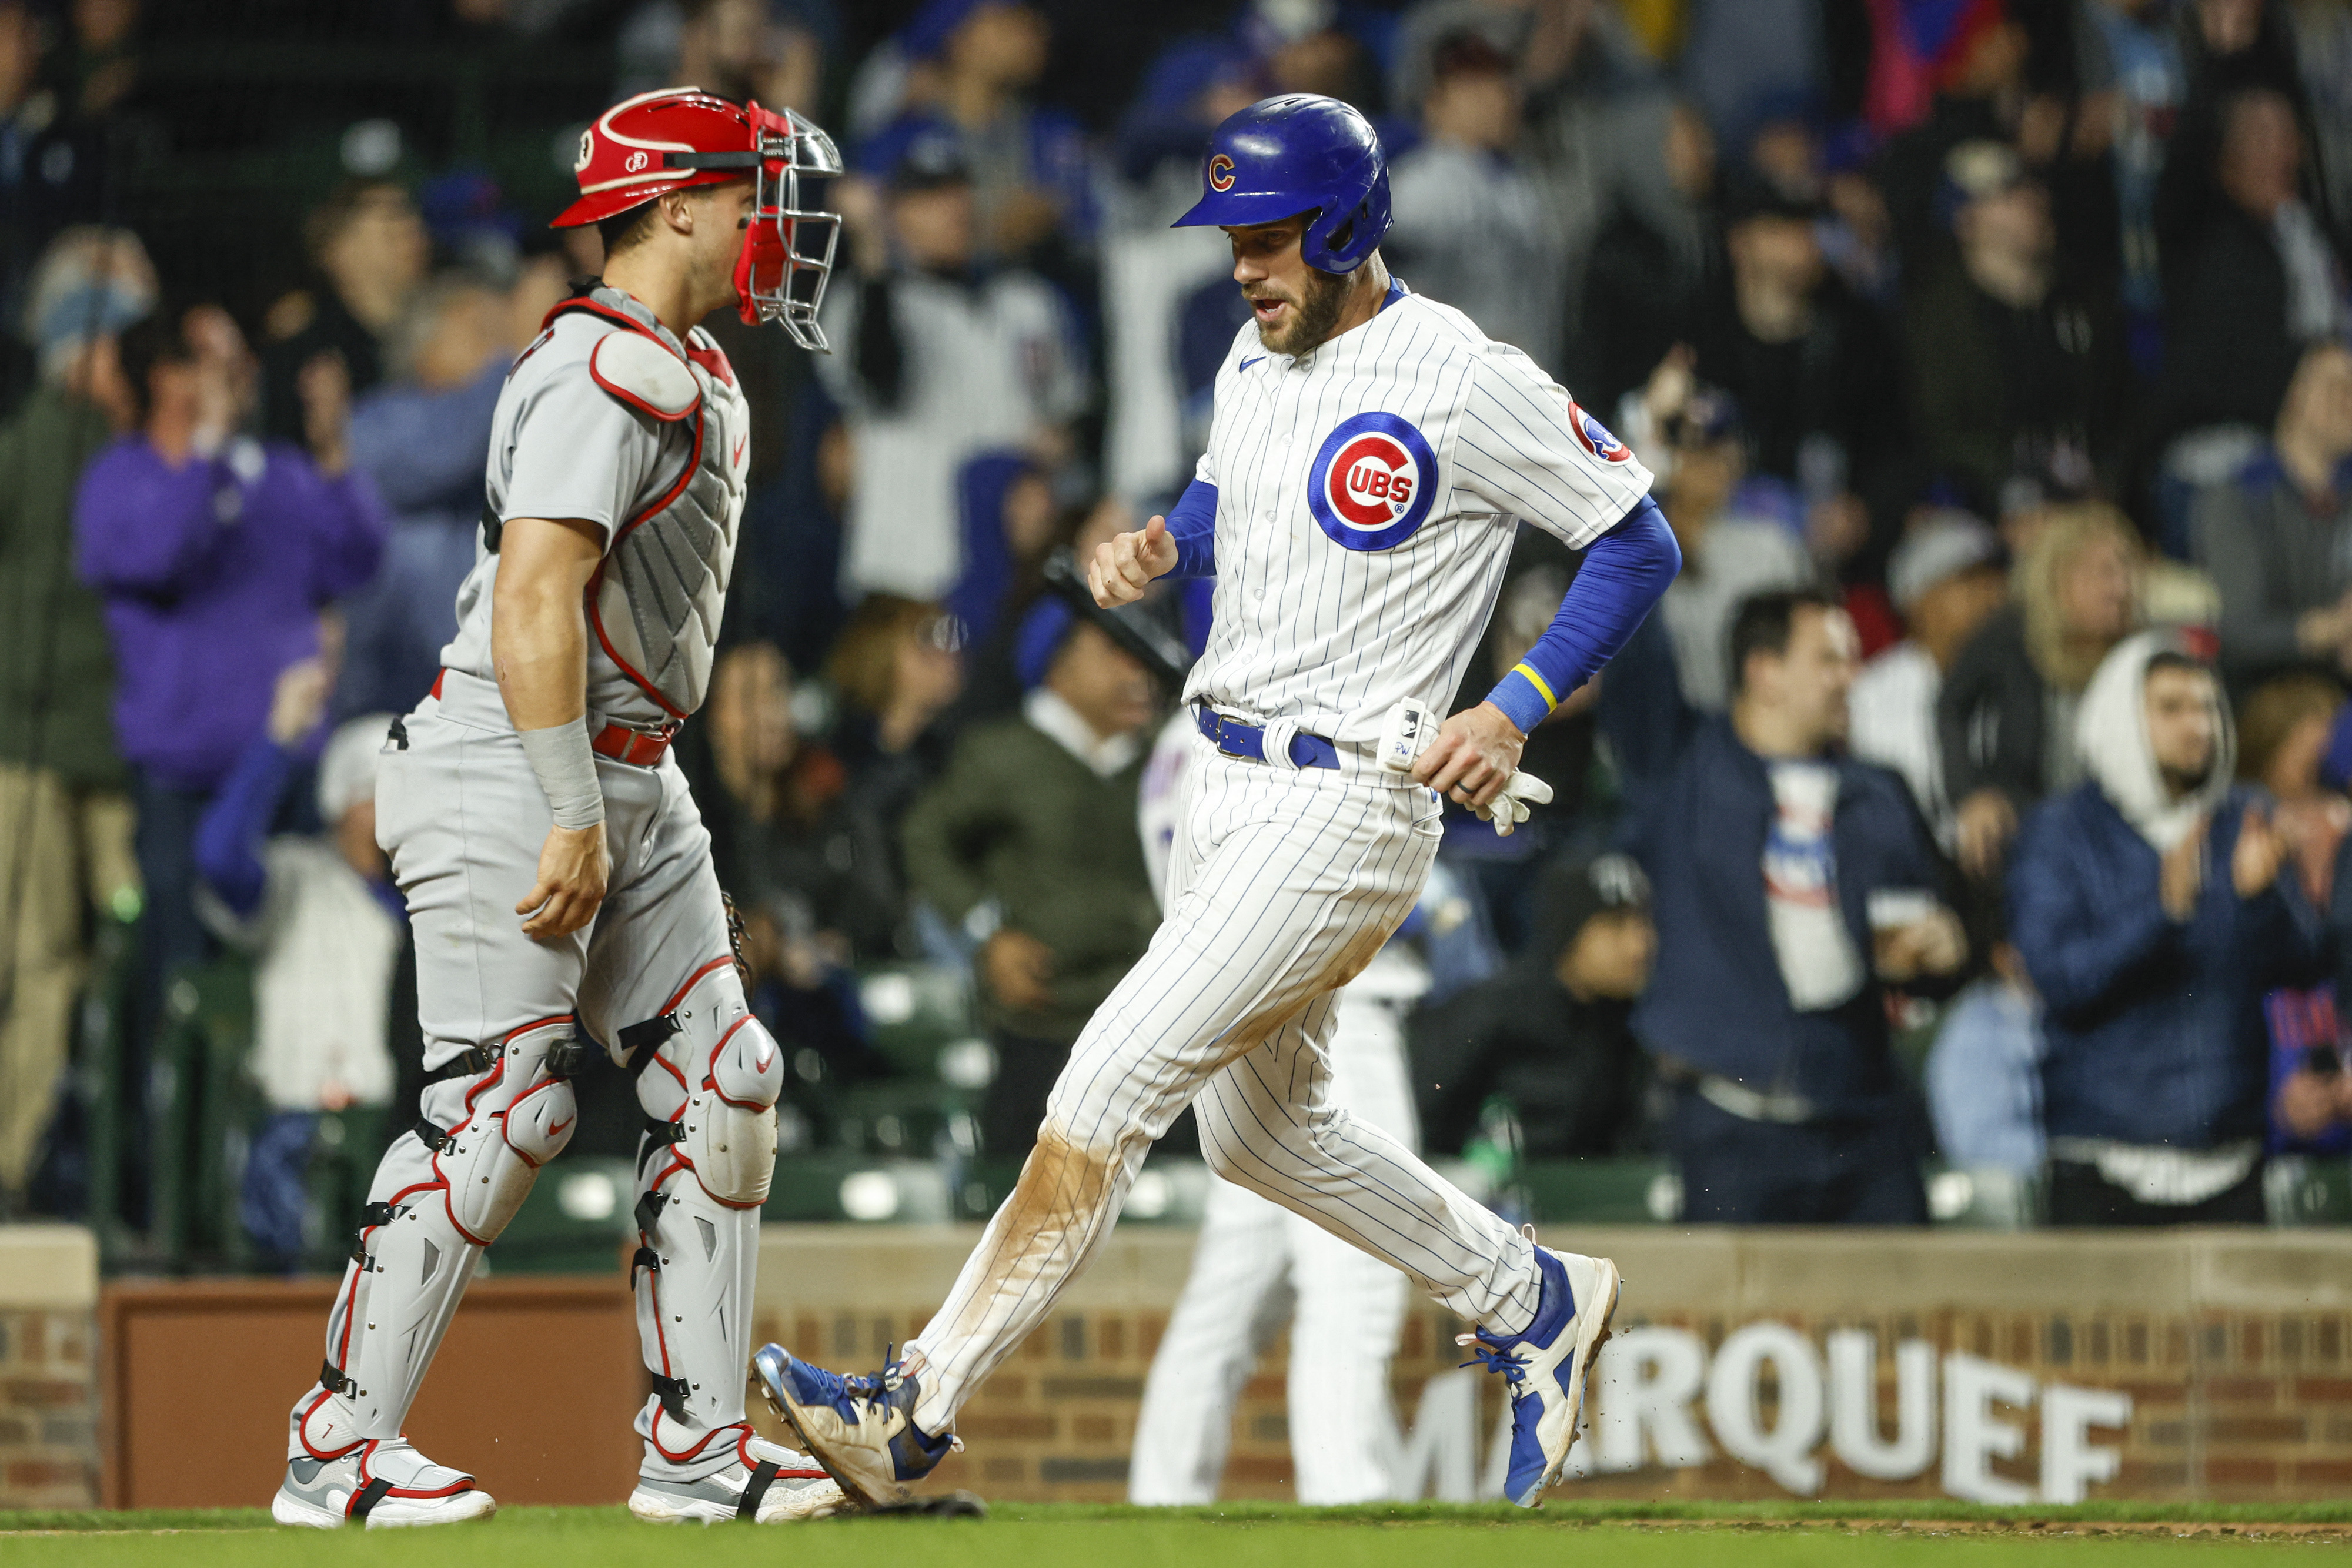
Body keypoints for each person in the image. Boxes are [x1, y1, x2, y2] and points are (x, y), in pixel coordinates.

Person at [759, 93, 1679, 1513]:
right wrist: (1157, 547)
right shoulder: (1257, 359)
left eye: (1270, 237)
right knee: (1257, 1138)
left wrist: (1511, 706)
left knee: (1106, 1082)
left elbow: (1635, 537)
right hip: (1226, 785)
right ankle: (1530, 1294)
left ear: (1350, 224)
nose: (1244, 267)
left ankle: (914, 1406)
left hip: (1347, 803)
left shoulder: (1459, 373)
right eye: (1233, 238)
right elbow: (1230, 502)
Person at [268, 89, 851, 1529]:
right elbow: (534, 594)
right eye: (751, 191)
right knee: (506, 1106)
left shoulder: (689, 360)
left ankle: (700, 1454)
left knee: (729, 1081)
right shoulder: (606, 371)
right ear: (674, 206)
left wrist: (608, 797)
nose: (778, 222)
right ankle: (333, 1444)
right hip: (512, 764)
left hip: (628, 766)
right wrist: (567, 807)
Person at [1123, 689, 1434, 1507]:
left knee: (1235, 1290)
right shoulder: (1290, 708)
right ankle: (1349, 1497)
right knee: (1357, 1275)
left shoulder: (1180, 737)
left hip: (1236, 1012)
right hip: (1332, 1015)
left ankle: (1161, 1500)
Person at [76, 303, 386, 1092]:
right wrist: (205, 455)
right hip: (183, 776)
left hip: (280, 774)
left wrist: (333, 455)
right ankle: (164, 1183)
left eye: (241, 362)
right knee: (181, 980)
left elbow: (356, 558)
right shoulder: (122, 477)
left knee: (291, 975)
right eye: (214, 360)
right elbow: (159, 556)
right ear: (166, 375)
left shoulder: (273, 471)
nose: (238, 375)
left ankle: (264, 1182)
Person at [1625, 589, 1967, 1225]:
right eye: (1830, 660)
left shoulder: (1881, 792)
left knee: (1900, 1318)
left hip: (1863, 1118)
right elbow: (1634, 673)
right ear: (1764, 671)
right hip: (1731, 1125)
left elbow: (1935, 934)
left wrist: (1944, 952)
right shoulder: (1685, 775)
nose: (1850, 679)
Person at [2009, 634, 2324, 1225]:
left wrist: (2259, 902)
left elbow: (2304, 964)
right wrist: (2162, 912)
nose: (2197, 724)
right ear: (2120, 719)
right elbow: (2059, 978)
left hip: (2230, 1159)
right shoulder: (2062, 832)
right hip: (2103, 1162)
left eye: (2206, 706)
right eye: (2171, 707)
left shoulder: (2239, 818)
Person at [0, 225, 151, 1212]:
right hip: (35, 756)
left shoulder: (132, 447)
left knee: (104, 953)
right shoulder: (53, 442)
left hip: (103, 754)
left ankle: (78, 1165)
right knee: (47, 969)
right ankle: (17, 1171)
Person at [900, 599, 1161, 1159]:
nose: (1136, 671)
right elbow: (925, 836)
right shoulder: (1003, 755)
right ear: (1058, 662)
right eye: (1115, 653)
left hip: (1150, 1028)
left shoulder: (1166, 757)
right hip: (1042, 1028)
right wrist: (986, 932)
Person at [191, 656, 402, 1271]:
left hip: (402, 1133)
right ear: (348, 802)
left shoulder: (430, 902)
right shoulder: (297, 878)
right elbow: (220, 858)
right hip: (302, 1134)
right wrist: (279, 739)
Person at [821, 132, 1086, 604]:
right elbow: (880, 376)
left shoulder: (1029, 302)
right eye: (928, 196)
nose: (954, 206)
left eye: (959, 189)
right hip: (907, 570)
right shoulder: (859, 304)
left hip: (1010, 573)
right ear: (894, 213)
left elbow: (1070, 419)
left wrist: (1053, 451)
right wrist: (872, 257)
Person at [1905, 141, 2127, 516]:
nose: (2034, 201)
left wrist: (2107, 484)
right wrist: (2014, 494)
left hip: (2090, 499)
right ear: (1966, 218)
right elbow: (1943, 435)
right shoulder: (1937, 319)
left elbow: (2120, 415)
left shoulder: (2084, 300)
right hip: (1985, 507)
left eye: (2032, 188)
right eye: (2008, 194)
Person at [1939, 504, 2142, 883]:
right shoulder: (2013, 634)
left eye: (2125, 570)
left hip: (2121, 840)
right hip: (2030, 827)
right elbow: (1952, 707)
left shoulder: (2141, 654)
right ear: (2056, 581)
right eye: (2101, 573)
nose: (2120, 588)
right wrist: (1970, 796)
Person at [1411, 852, 1655, 1161]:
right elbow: (1424, 1120)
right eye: (1615, 924)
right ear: (1570, 928)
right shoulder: (1493, 1009)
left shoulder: (1633, 1023)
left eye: (1644, 922)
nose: (1640, 945)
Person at [1384, 31, 1568, 375]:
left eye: (1500, 84)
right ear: (1435, 102)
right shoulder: (1424, 182)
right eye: (1475, 87)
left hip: (1525, 390)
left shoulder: (1518, 181)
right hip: (1446, 390)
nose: (1498, 97)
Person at [1642, 380, 1816, 712]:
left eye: (1722, 446)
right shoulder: (1629, 546)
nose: (1713, 462)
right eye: (1695, 448)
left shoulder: (1769, 547)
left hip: (1751, 723)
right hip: (1653, 732)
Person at [1848, 511, 2010, 850]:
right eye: (1969, 582)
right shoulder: (1872, 695)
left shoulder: (2017, 679)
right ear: (1918, 601)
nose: (1991, 596)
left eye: (1996, 581)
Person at [2194, 342, 2352, 686]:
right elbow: (2242, 632)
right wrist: (2334, 629)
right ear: (2295, 394)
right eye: (2335, 387)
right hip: (2268, 696)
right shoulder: (2238, 497)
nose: (2348, 400)